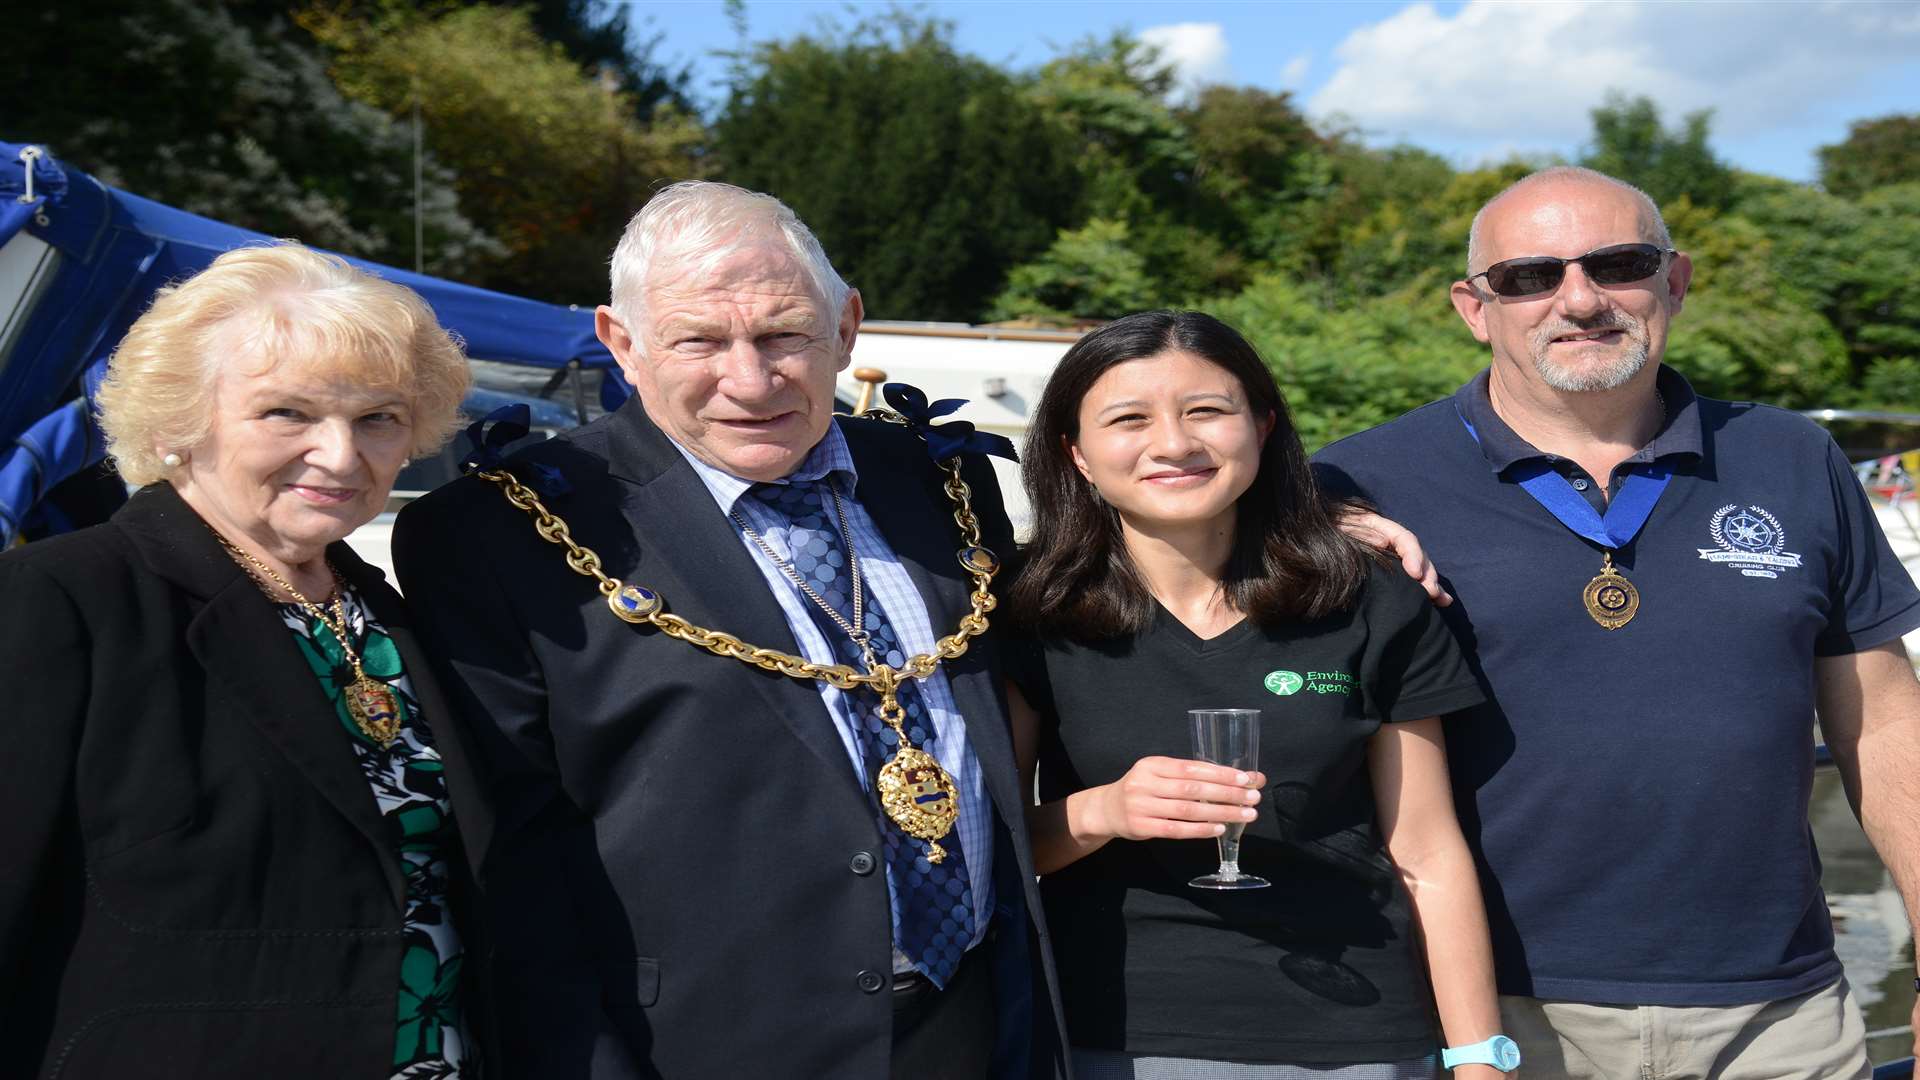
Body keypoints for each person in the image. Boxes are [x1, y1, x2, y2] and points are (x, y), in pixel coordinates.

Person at [391, 180, 1069, 1077]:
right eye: (699, 341)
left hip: (969, 1025)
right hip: (699, 1046)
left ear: (847, 327)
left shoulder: (941, 481)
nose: (749, 381)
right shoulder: (499, 533)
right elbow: (513, 862)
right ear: (621, 344)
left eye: (784, 334)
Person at [1313, 165, 1920, 1079]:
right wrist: (1299, 528)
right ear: (1474, 308)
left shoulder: (1793, 456)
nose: (1580, 298)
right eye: (1530, 276)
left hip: (1777, 1015)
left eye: (1619, 264)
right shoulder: (1359, 484)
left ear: (1673, 281)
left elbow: (1883, 727)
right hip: (1491, 1015)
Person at [0, 243, 484, 1078]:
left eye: (378, 417)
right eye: (287, 414)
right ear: (179, 423)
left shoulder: (393, 618)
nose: (340, 455)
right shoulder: (57, 601)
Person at [1006, 310, 1514, 1079]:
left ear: (1264, 425)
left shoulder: (1368, 596)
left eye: (1207, 410)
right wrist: (1102, 812)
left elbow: (1428, 851)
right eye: (1129, 419)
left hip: (1357, 1040)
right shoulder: (1027, 611)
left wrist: (1481, 1059)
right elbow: (990, 846)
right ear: (1075, 453)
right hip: (1107, 1036)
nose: (1174, 443)